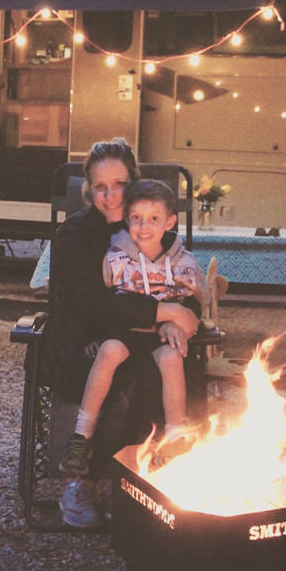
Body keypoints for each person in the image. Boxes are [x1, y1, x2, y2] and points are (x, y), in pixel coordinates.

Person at [41, 138, 200, 529]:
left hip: (142, 337)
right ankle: (78, 481)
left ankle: (140, 480)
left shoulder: (153, 226)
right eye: (100, 187)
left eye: (120, 185)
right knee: (101, 366)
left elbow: (182, 286)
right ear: (88, 190)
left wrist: (178, 317)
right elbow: (88, 303)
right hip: (85, 335)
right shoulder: (77, 234)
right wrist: (165, 312)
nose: (111, 196)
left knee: (173, 364)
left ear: (135, 185)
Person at [58, 180, 208, 478]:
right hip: (125, 328)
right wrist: (95, 335)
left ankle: (176, 435)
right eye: (136, 218)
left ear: (170, 221)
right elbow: (100, 303)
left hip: (161, 334)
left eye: (154, 218)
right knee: (109, 350)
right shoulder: (116, 257)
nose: (144, 226)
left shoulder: (183, 261)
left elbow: (196, 303)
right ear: (127, 221)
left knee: (172, 357)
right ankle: (80, 436)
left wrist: (179, 324)